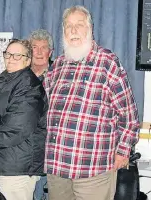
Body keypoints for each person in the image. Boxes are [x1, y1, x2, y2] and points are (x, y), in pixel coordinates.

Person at [44, 5, 140, 200]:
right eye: (68, 26)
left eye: (79, 25)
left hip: (93, 168)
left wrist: (122, 153)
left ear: (90, 29)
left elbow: (129, 117)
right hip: (57, 167)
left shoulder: (107, 62)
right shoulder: (57, 66)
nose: (73, 30)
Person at [0, 39, 48, 200]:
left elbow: (15, 129)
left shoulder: (30, 86)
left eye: (17, 55)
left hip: (15, 169)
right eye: (8, 54)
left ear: (28, 59)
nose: (11, 58)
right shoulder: (2, 80)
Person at [28, 29, 53, 200]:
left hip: (47, 146)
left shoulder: (57, 76)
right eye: (34, 47)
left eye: (43, 48)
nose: (38, 52)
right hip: (22, 146)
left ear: (50, 52)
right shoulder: (19, 74)